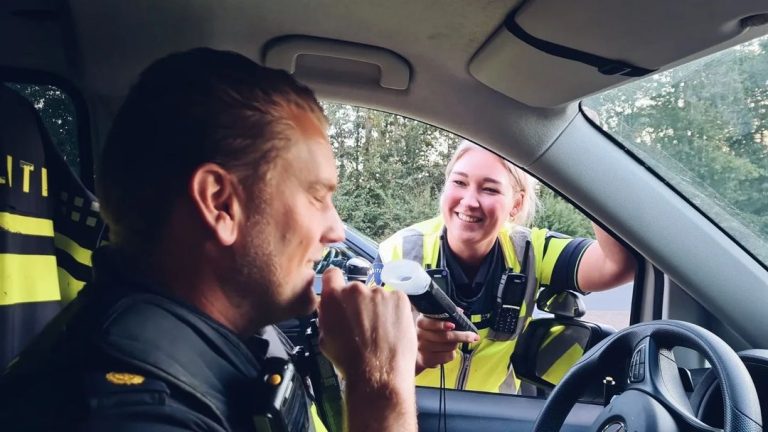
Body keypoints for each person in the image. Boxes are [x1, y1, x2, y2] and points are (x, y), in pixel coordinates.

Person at [0, 48, 418, 432]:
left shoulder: (224, 337)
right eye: (317, 196)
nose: (337, 231)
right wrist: (381, 389)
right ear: (220, 203)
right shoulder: (129, 414)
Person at [371, 140, 635, 394]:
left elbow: (616, 264)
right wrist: (418, 357)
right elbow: (361, 374)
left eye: (490, 189)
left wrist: (589, 160)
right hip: (412, 415)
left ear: (516, 204)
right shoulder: (399, 253)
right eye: (459, 182)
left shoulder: (532, 250)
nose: (470, 201)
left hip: (493, 416)